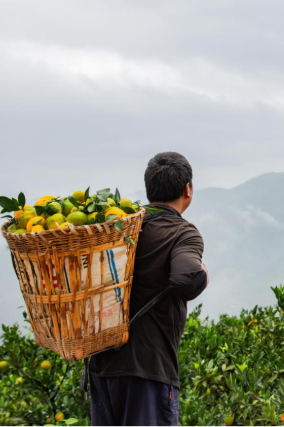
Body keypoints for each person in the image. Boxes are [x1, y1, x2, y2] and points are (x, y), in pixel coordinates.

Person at [89, 152, 209, 426]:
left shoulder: (119, 228)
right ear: (187, 189)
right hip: (147, 370)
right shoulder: (182, 232)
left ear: (149, 188)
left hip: (101, 365)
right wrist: (203, 274)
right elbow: (185, 279)